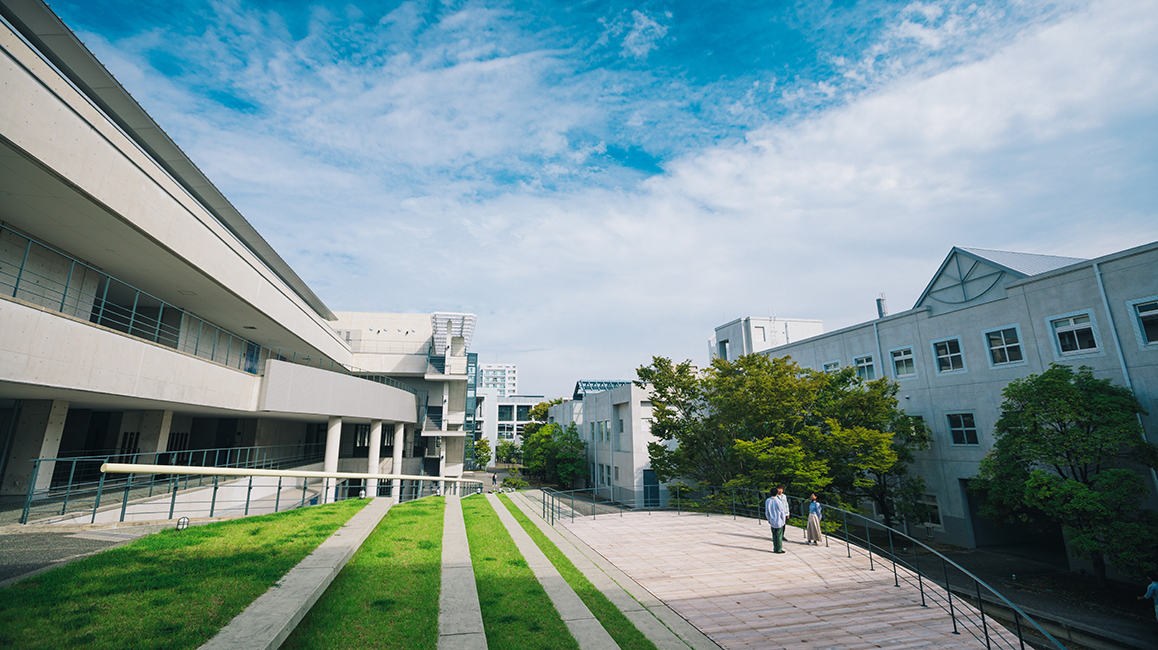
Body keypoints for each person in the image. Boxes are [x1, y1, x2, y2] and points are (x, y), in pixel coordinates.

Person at [765, 486, 789, 554]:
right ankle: (779, 549)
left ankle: (775, 548)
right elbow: (782, 511)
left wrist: (768, 519)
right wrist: (783, 520)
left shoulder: (768, 501)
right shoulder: (778, 501)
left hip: (772, 520)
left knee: (774, 535)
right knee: (779, 535)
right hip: (779, 520)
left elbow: (767, 512)